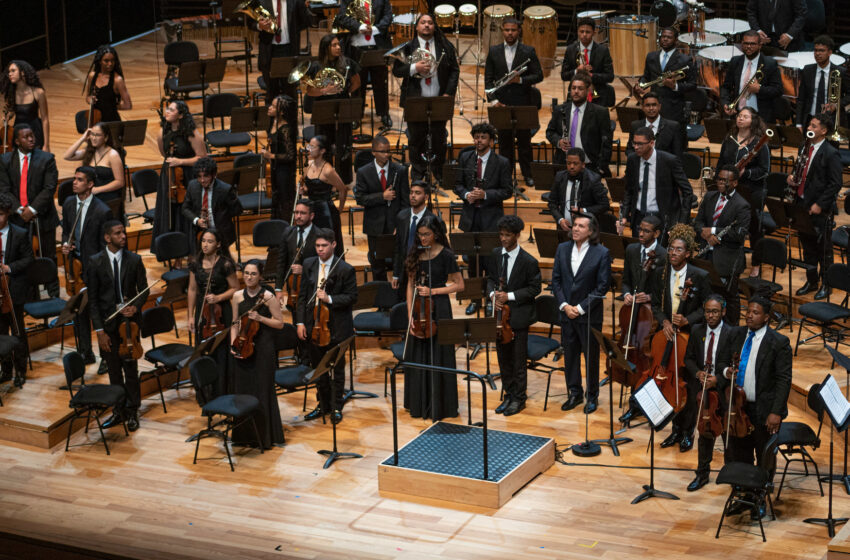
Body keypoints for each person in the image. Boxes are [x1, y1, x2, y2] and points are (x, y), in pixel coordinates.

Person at [717, 295, 792, 519]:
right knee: (738, 454)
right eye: (748, 311)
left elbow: (783, 379)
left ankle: (760, 498)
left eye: (755, 312)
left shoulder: (778, 342)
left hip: (763, 410)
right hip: (737, 409)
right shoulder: (736, 334)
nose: (749, 315)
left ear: (767, 317)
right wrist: (725, 372)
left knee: (764, 455)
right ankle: (743, 496)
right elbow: (721, 362)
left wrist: (776, 412)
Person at [651, 224, 711, 452]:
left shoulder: (700, 276)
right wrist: (665, 322)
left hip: (690, 338)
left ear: (688, 253)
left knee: (689, 386)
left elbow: (707, 308)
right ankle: (675, 430)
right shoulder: (660, 272)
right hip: (667, 335)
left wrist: (687, 320)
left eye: (678, 249)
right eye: (671, 249)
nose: (673, 253)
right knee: (670, 384)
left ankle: (688, 433)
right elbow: (656, 304)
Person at [402, 215, 464, 420]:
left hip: (440, 308)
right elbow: (410, 285)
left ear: (436, 234)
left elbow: (459, 285)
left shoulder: (446, 255)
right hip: (419, 309)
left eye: (426, 234)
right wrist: (410, 312)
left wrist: (434, 291)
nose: (422, 238)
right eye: (419, 235)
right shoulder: (415, 253)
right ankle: (419, 404)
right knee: (419, 354)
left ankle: (441, 406)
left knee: (440, 354)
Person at [89, 221, 147, 432]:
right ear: (107, 238)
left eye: (124, 232)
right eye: (118, 233)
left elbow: (144, 290)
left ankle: (132, 411)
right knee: (114, 370)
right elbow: (93, 301)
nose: (123, 236)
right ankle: (118, 410)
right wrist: (99, 332)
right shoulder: (95, 262)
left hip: (129, 325)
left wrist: (135, 307)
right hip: (109, 325)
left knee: (131, 369)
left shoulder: (134, 259)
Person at [296, 228, 357, 423]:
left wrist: (329, 298)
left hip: (337, 327)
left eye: (324, 246)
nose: (320, 250)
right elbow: (303, 296)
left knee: (337, 369)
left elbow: (351, 297)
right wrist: (300, 322)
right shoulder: (309, 264)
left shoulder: (345, 269)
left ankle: (336, 407)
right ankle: (322, 404)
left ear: (333, 245)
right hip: (314, 326)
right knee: (319, 368)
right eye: (317, 246)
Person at [552, 212, 611, 414]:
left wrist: (580, 308)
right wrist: (565, 305)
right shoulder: (562, 248)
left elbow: (602, 287)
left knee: (591, 357)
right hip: (566, 313)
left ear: (591, 231)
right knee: (570, 355)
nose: (575, 228)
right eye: (575, 225)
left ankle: (592, 396)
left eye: (581, 226)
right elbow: (556, 280)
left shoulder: (602, 253)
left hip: (589, 315)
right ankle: (574, 393)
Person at [391, 13, 460, 183]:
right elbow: (397, 71)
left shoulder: (445, 45)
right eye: (423, 23)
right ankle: (418, 172)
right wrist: (415, 67)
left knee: (439, 138)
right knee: (416, 138)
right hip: (415, 100)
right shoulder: (408, 46)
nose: (427, 25)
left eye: (430, 23)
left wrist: (448, 94)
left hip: (439, 98)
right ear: (417, 27)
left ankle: (438, 170)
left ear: (434, 26)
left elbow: (454, 70)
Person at [453, 122, 512, 315]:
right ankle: (475, 299)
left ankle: (490, 299)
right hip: (470, 218)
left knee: (491, 264)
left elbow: (506, 191)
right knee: (472, 263)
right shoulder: (465, 158)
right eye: (476, 137)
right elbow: (457, 184)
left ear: (492, 141)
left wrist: (485, 195)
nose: (479, 141)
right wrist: (465, 195)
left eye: (483, 137)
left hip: (491, 220)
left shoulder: (502, 162)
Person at [487, 215, 541, 416]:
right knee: (503, 359)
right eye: (501, 235)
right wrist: (493, 294)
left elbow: (534, 288)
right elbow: (490, 280)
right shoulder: (495, 254)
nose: (503, 239)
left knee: (518, 362)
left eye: (507, 235)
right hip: (499, 317)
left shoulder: (529, 261)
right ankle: (508, 394)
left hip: (518, 317)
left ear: (517, 235)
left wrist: (508, 296)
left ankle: (519, 398)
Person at [230, 259, 285, 448]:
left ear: (260, 276)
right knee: (244, 389)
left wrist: (260, 318)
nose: (249, 277)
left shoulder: (268, 297)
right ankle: (244, 436)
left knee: (262, 391)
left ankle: (266, 437)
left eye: (253, 274)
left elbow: (280, 323)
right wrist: (233, 342)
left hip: (263, 348)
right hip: (243, 348)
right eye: (246, 273)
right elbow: (235, 322)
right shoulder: (237, 296)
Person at [0, 123, 60, 297]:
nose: (31, 139)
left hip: (43, 216)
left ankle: (53, 293)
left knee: (49, 255)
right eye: (26, 137)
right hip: (17, 218)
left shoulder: (47, 158)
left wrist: (32, 209)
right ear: (17, 141)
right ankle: (30, 295)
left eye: (32, 135)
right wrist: (20, 209)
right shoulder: (4, 160)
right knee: (22, 258)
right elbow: (4, 189)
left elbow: (49, 188)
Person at [787, 113, 842, 300]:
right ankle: (811, 281)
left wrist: (820, 204)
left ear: (824, 131)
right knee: (807, 246)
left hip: (820, 208)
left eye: (814, 126)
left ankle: (827, 283)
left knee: (823, 250)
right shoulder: (804, 146)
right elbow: (800, 170)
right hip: (802, 203)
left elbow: (835, 183)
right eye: (809, 125)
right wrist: (792, 178)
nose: (809, 129)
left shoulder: (831, 152)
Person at [484, 16, 544, 185]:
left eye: (513, 30)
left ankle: (528, 174)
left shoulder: (528, 51)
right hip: (501, 103)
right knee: (504, 142)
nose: (510, 33)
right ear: (502, 31)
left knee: (525, 142)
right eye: (507, 30)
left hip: (523, 102)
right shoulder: (494, 51)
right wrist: (494, 101)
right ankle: (505, 176)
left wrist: (520, 80)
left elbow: (539, 75)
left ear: (519, 31)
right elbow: (488, 80)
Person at [61, 167, 111, 366]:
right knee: (79, 312)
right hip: (76, 267)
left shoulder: (102, 211)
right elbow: (66, 231)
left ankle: (106, 358)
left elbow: (104, 246)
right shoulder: (68, 203)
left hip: (94, 269)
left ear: (90, 184)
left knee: (99, 314)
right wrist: (66, 244)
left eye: (79, 180)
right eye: (74, 178)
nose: (74, 182)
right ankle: (85, 353)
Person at [685, 294, 736, 491]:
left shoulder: (732, 333)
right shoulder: (697, 330)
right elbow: (688, 359)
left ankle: (731, 474)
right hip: (703, 392)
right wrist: (698, 373)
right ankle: (702, 473)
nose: (711, 315)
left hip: (723, 391)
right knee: (705, 434)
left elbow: (734, 366)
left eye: (715, 311)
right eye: (707, 311)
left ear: (723, 312)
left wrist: (719, 379)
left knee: (727, 436)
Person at [694, 165, 751, 325]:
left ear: (734, 183)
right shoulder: (710, 196)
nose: (720, 183)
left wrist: (713, 231)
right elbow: (697, 222)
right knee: (704, 292)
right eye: (719, 179)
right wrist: (704, 233)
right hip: (705, 254)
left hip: (727, 258)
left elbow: (739, 234)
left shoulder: (742, 205)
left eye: (725, 181)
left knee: (729, 297)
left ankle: (733, 330)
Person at [714, 107, 769, 269]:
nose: (740, 119)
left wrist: (746, 172)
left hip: (751, 190)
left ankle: (756, 264)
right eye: (739, 116)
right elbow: (721, 163)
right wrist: (718, 181)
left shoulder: (759, 142)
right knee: (728, 223)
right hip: (729, 188)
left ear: (753, 121)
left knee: (753, 227)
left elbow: (764, 170)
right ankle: (731, 259)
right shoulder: (730, 139)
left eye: (745, 116)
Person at [305, 34, 361, 186]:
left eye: (338, 45)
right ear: (326, 48)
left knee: (344, 143)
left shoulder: (347, 63)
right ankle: (324, 178)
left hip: (342, 105)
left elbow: (357, 81)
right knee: (323, 144)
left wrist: (344, 91)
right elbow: (310, 90)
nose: (338, 48)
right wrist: (325, 90)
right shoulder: (316, 66)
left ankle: (343, 180)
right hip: (323, 107)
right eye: (334, 45)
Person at [153, 101, 207, 258]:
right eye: (167, 108)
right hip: (169, 177)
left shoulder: (191, 133)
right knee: (170, 213)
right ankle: (174, 254)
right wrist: (173, 163)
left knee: (186, 213)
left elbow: (202, 158)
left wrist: (181, 162)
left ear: (181, 115)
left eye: (171, 109)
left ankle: (191, 252)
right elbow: (165, 155)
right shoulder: (162, 131)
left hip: (187, 177)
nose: (167, 111)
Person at [188, 229, 239, 394]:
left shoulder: (225, 264)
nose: (205, 244)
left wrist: (218, 297)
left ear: (218, 245)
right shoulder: (195, 263)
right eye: (203, 240)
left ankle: (223, 389)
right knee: (204, 350)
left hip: (222, 312)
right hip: (202, 313)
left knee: (222, 350)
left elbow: (235, 288)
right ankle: (206, 394)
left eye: (210, 241)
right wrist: (190, 316)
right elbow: (192, 289)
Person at [619, 127, 692, 239]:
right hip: (639, 217)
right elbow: (629, 189)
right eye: (634, 143)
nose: (636, 147)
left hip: (661, 218)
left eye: (640, 144)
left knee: (660, 254)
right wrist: (624, 215)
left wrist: (681, 222)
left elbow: (687, 191)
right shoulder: (632, 159)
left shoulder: (669, 161)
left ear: (652, 143)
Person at [354, 136, 409, 281]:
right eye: (382, 151)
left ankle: (399, 296)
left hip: (395, 224)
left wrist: (401, 223)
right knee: (377, 264)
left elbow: (405, 202)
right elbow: (360, 198)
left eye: (388, 151)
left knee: (399, 261)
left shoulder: (400, 170)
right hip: (374, 225)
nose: (387, 155)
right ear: (373, 152)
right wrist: (382, 196)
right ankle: (382, 298)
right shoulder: (363, 172)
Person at [337, 0, 394, 128]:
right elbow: (342, 17)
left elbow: (388, 16)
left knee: (381, 82)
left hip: (378, 44)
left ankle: (384, 113)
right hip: (356, 47)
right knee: (357, 82)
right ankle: (356, 115)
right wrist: (359, 26)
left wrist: (375, 28)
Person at [634, 28, 695, 147]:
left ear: (676, 41)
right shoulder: (651, 56)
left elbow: (693, 85)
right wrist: (641, 84)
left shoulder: (685, 60)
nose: (665, 39)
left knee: (674, 145)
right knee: (652, 142)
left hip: (674, 109)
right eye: (663, 36)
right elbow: (646, 76)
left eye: (669, 37)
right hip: (653, 107)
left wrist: (675, 86)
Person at [545, 73, 612, 173]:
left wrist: (601, 167)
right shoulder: (560, 110)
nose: (576, 91)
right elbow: (550, 132)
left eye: (580, 88)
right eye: (573, 88)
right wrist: (559, 141)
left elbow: (606, 143)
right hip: (564, 165)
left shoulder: (600, 112)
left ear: (588, 90)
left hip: (589, 166)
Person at [0, 192, 33, 388]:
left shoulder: (19, 234)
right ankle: (6, 370)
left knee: (17, 331)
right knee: (1, 331)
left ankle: (20, 370)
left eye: (1, 214)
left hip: (14, 290)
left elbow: (28, 259)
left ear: (8, 214)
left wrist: (8, 268)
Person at [256, 0, 315, 103]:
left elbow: (307, 22)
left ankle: (291, 118)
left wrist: (305, 6)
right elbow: (250, 22)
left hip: (289, 50)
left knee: (290, 91)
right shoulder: (262, 1)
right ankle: (272, 119)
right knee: (271, 92)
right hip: (269, 51)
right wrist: (259, 26)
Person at [719, 30, 783, 123]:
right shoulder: (735, 61)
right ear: (742, 44)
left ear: (760, 45)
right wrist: (726, 103)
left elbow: (778, 90)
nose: (748, 46)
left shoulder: (770, 63)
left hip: (760, 117)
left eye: (752, 44)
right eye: (746, 43)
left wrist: (759, 89)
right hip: (738, 114)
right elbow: (726, 87)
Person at [62, 124, 125, 216]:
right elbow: (67, 156)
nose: (94, 138)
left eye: (98, 135)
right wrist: (83, 138)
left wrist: (98, 189)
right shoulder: (89, 152)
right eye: (92, 134)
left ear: (106, 137)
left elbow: (120, 182)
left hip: (107, 198)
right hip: (90, 197)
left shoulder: (113, 155)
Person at [392, 181, 443, 293]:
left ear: (426, 197)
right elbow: (398, 247)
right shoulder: (401, 216)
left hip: (424, 271)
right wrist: (396, 274)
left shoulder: (434, 220)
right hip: (404, 270)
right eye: (411, 192)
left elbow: (440, 250)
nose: (413, 196)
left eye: (417, 193)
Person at [181, 157, 242, 250]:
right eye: (199, 176)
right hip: (199, 232)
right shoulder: (192, 186)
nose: (202, 180)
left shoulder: (225, 189)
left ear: (214, 175)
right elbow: (185, 208)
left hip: (221, 233)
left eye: (206, 176)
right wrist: (197, 220)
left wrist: (222, 215)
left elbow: (238, 210)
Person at [300, 135, 348, 254]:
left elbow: (343, 189)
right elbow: (310, 189)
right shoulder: (308, 165)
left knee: (326, 246)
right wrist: (304, 190)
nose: (308, 149)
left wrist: (339, 210)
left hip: (325, 212)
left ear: (322, 150)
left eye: (312, 146)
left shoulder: (328, 170)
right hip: (311, 209)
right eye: (308, 145)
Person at [547, 147, 610, 232]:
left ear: (583, 164)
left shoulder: (593, 180)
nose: (571, 166)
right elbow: (552, 202)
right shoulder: (559, 177)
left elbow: (604, 205)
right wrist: (560, 219)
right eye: (569, 163)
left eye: (575, 163)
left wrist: (584, 210)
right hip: (564, 229)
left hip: (586, 231)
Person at [796, 35, 850, 130]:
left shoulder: (840, 72)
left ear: (830, 52)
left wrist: (836, 105)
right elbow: (801, 99)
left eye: (821, 50)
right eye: (816, 50)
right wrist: (798, 123)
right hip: (810, 120)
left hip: (831, 120)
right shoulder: (807, 70)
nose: (817, 54)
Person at [559, 17, 615, 107]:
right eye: (581, 31)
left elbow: (610, 77)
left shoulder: (603, 51)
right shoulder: (571, 49)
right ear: (577, 32)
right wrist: (577, 71)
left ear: (594, 33)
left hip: (598, 94)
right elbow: (564, 75)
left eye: (588, 32)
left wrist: (591, 75)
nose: (584, 35)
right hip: (576, 94)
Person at [276, 199, 319, 308]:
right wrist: (278, 289)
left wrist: (304, 269)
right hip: (293, 286)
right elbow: (281, 262)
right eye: (296, 213)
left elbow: (324, 264)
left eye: (303, 213)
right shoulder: (288, 233)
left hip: (312, 285)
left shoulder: (320, 235)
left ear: (311, 216)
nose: (298, 216)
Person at [262, 94, 297, 221]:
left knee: (284, 199)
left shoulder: (286, 129)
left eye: (273, 106)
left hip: (285, 171)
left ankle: (285, 226)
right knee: (276, 198)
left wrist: (270, 155)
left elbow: (290, 155)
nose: (269, 108)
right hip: (276, 167)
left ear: (281, 112)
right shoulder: (273, 121)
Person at [0, 60, 49, 151]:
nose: (10, 74)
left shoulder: (38, 92)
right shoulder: (11, 93)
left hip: (35, 131)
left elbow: (45, 119)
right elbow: (12, 111)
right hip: (18, 130)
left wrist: (46, 145)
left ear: (22, 72)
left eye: (13, 71)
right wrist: (7, 116)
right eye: (9, 72)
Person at [621, 214, 667, 304]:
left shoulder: (664, 255)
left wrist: (649, 297)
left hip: (652, 307)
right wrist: (626, 294)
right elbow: (625, 280)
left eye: (646, 231)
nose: (641, 234)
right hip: (632, 304)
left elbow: (665, 289)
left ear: (656, 233)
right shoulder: (631, 249)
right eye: (640, 229)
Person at [82, 45, 132, 123]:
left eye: (112, 60)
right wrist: (90, 100)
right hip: (96, 120)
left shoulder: (117, 80)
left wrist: (112, 106)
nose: (110, 63)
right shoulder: (92, 76)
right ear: (99, 61)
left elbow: (128, 105)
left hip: (112, 121)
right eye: (106, 61)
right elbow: (88, 97)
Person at [625, 93, 682, 157]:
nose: (651, 108)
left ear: (659, 107)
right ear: (642, 107)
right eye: (647, 105)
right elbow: (629, 150)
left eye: (654, 105)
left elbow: (677, 155)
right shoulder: (635, 126)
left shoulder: (673, 127)